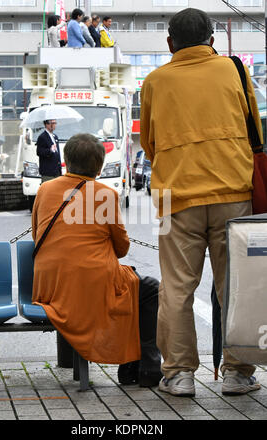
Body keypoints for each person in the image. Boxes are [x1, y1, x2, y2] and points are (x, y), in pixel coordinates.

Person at [140, 8, 263, 397]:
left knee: (176, 288)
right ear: (212, 40)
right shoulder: (234, 70)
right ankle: (237, 374)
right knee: (236, 287)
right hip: (234, 193)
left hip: (176, 197)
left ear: (170, 43)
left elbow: (150, 144)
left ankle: (178, 375)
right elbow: (255, 129)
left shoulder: (155, 82)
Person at [31, 133, 162, 387]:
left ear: (65, 162)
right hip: (92, 284)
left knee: (131, 285)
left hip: (48, 286)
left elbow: (38, 235)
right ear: (100, 167)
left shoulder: (45, 190)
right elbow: (122, 249)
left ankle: (134, 365)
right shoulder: (106, 194)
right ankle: (144, 366)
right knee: (148, 289)